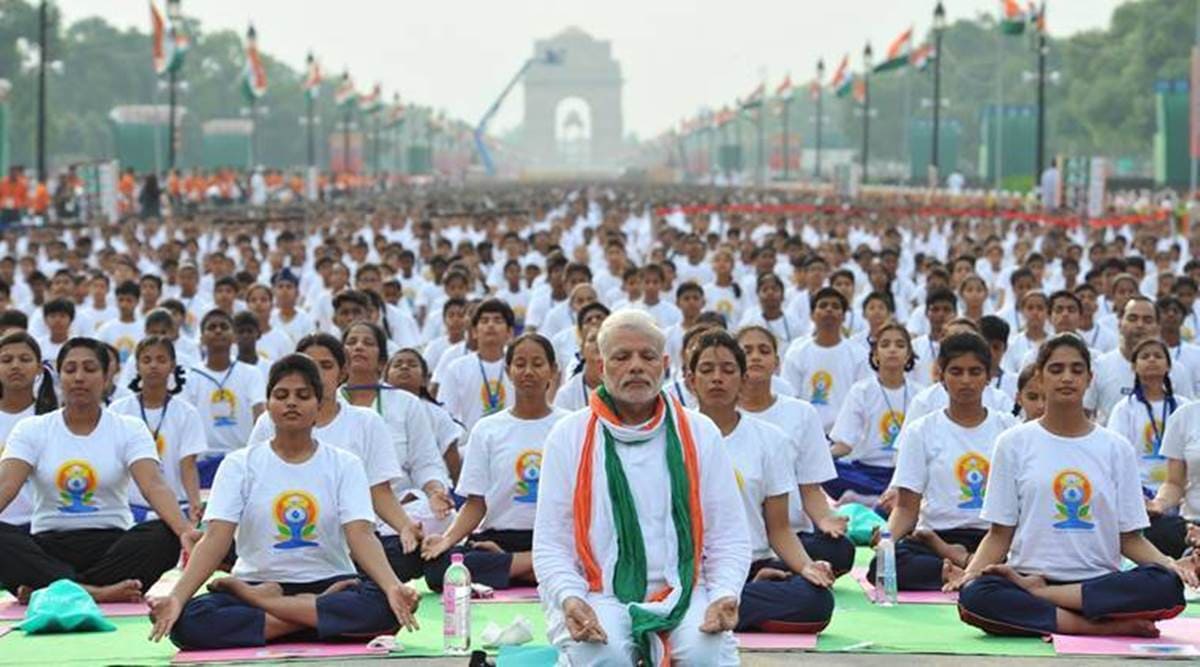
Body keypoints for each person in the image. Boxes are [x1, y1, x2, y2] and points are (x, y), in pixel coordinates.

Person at [147, 354, 421, 650]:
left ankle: (269, 612)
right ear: (268, 406)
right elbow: (215, 537)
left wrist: (393, 586)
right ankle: (315, 619)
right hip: (258, 581)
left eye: (303, 396)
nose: (292, 403)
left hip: (330, 581)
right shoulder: (239, 464)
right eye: (281, 395)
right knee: (189, 621)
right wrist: (176, 597)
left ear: (319, 406)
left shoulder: (345, 464)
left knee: (385, 607)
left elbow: (361, 535)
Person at [533, 309, 751, 665]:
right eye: (621, 357)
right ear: (601, 368)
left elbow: (728, 535)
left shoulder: (699, 433)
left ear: (664, 364)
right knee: (605, 655)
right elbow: (550, 544)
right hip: (597, 590)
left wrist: (724, 594)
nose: (636, 366)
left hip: (684, 589)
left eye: (647, 356)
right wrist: (570, 598)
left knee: (706, 655)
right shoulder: (568, 435)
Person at [951, 334, 1195, 637]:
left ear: (1090, 378)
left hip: (1097, 584)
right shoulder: (1013, 444)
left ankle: (1045, 600)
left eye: (1077, 370)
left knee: (1166, 585)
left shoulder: (1116, 448)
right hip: (1030, 575)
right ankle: (1096, 626)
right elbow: (1000, 534)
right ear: (1039, 377)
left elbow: (1130, 539)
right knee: (975, 596)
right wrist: (971, 574)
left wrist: (1170, 564)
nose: (1067, 378)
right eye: (1056, 369)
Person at [0, 337, 200, 603]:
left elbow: (153, 484)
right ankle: (96, 592)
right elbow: (6, 485)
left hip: (112, 545)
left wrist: (184, 529)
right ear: (59, 377)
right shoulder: (32, 429)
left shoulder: (129, 427)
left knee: (164, 535)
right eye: (70, 370)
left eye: (90, 369)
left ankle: (53, 589)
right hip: (49, 544)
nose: (79, 377)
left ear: (107, 376)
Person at [690, 329, 835, 633]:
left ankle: (712, 608)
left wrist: (806, 566)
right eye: (706, 370)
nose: (717, 378)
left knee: (817, 601)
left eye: (728, 370)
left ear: (743, 380)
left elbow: (779, 528)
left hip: (751, 564)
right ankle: (720, 605)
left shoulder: (770, 440)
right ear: (691, 381)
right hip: (691, 569)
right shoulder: (672, 436)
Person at [248, 334, 425, 581]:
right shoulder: (271, 421)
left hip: (354, 541)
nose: (317, 374)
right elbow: (255, 487)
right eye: (308, 365)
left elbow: (379, 491)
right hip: (285, 540)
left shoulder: (366, 421)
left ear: (343, 372)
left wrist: (405, 526)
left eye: (326, 366)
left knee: (413, 556)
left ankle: (281, 602)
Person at [866, 333, 1018, 590]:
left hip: (995, 537)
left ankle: (962, 564)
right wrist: (888, 539)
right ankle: (961, 570)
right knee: (884, 564)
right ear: (941, 376)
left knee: (1027, 564)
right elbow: (906, 508)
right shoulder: (922, 430)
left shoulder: (1008, 428)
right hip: (935, 536)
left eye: (975, 372)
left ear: (989, 376)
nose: (966, 381)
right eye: (956, 372)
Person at [421, 333, 566, 591]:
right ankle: (537, 567)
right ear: (508, 371)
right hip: (501, 538)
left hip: (556, 536)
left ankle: (514, 567)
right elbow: (475, 503)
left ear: (553, 370)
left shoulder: (569, 426)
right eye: (520, 364)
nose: (528, 372)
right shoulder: (488, 429)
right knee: (439, 568)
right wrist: (447, 539)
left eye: (538, 363)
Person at [736, 325, 853, 576]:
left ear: (776, 363)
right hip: (737, 537)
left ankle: (781, 568)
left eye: (764, 351)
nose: (755, 356)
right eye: (747, 351)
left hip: (791, 533)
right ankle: (779, 571)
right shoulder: (720, 416)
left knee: (841, 551)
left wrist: (824, 520)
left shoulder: (801, 413)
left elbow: (809, 488)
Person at [340, 322, 453, 535]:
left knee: (443, 518)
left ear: (382, 361)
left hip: (397, 507)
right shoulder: (328, 402)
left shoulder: (407, 403)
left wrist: (434, 492)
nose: (358, 347)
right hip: (342, 509)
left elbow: (426, 462)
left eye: (368, 343)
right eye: (351, 342)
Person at [1106, 338, 1189, 557]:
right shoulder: (1124, 409)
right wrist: (1142, 498)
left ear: (1169, 365)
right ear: (1133, 366)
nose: (1152, 360)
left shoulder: (1183, 407)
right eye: (1144, 356)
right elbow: (1117, 458)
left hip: (1181, 494)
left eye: (1158, 356)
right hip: (1139, 496)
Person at [111, 336, 205, 524]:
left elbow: (188, 464)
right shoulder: (117, 410)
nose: (153, 366)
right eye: (147, 360)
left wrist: (195, 502)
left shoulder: (187, 413)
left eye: (161, 360)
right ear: (137, 366)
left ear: (172, 365)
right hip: (131, 507)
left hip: (176, 506)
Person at [826, 322, 918, 503]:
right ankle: (885, 500)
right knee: (826, 470)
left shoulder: (921, 395)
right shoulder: (861, 391)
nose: (892, 350)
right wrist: (815, 458)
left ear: (908, 356)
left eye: (900, 345)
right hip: (865, 472)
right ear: (875, 355)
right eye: (885, 345)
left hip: (904, 474)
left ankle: (872, 499)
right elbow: (845, 445)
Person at [182, 310, 267, 488]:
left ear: (234, 336)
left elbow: (260, 414)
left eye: (224, 326)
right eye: (211, 327)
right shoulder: (191, 376)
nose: (218, 331)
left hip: (242, 458)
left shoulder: (251, 373)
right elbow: (185, 421)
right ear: (202, 338)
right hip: (203, 461)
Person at [781, 287, 869, 431]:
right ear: (812, 315)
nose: (829, 310)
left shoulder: (858, 353)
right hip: (805, 432)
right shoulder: (797, 352)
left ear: (844, 316)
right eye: (823, 305)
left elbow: (864, 400)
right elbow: (789, 398)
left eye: (835, 306)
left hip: (846, 437)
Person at [0, 333, 59, 530]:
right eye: (6, 360)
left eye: (25, 359)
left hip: (40, 526)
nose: (15, 366)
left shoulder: (54, 420)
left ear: (39, 369)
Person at [384, 348, 464, 483]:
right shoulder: (375, 409)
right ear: (385, 379)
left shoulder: (438, 414)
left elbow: (451, 455)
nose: (404, 367)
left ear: (424, 380)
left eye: (412, 365)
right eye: (397, 365)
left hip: (431, 488)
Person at [438, 298, 517, 434]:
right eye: (484, 321)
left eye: (497, 321)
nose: (490, 325)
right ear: (474, 332)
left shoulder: (518, 366)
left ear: (509, 332)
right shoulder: (457, 368)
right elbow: (445, 416)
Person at [554, 328, 603, 412]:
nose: (598, 343)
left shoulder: (622, 385)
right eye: (592, 339)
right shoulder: (566, 394)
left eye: (602, 340)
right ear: (582, 352)